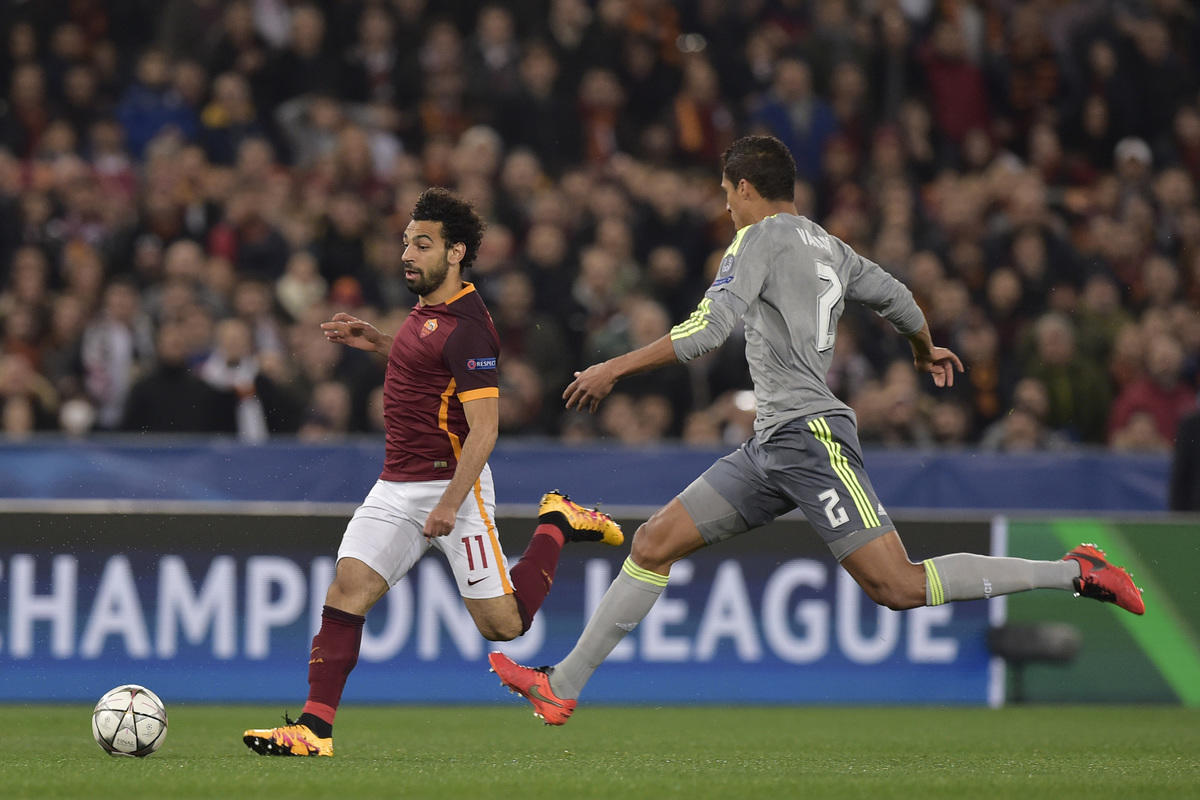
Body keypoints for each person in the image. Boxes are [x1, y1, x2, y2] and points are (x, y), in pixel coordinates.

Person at [487, 135, 1145, 725]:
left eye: (727, 193)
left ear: (747, 188)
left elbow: (707, 330)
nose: (726, 207)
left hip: (809, 436)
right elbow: (899, 298)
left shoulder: (757, 240)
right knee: (655, 540)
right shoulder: (831, 246)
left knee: (897, 586)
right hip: (771, 444)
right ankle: (561, 685)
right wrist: (923, 348)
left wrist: (614, 367)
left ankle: (1073, 571)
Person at [242, 188, 623, 756]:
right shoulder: (427, 313)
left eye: (422, 244)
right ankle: (313, 730)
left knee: (504, 626)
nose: (407, 254)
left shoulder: (471, 327)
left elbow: (485, 429)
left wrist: (449, 502)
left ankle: (556, 523)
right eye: (405, 243)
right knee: (348, 589)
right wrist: (380, 342)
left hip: (454, 488)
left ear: (455, 252)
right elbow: (428, 363)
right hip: (396, 484)